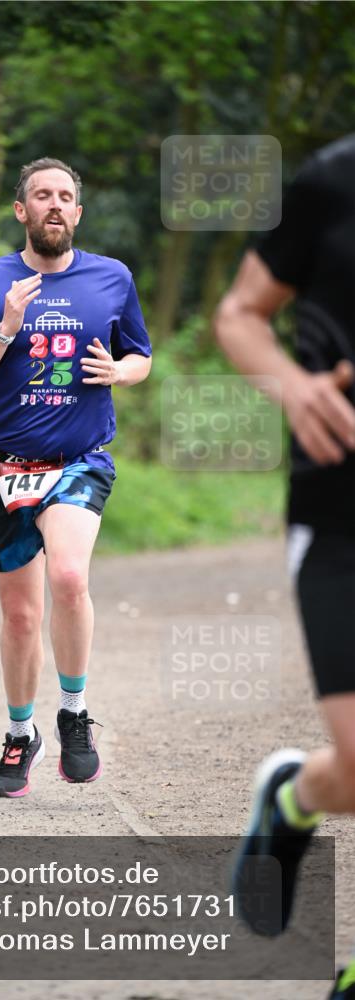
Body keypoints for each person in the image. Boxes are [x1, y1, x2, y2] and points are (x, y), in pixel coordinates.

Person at [0, 157, 152, 798]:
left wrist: (120, 373)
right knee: (20, 616)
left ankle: (74, 713)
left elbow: (140, 355)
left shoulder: (111, 278)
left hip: (79, 461)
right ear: (21, 210)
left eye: (64, 196)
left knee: (69, 577)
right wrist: (4, 330)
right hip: (3, 465)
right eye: (41, 195)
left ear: (77, 213)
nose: (54, 204)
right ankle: (20, 733)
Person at [214, 133, 355, 999]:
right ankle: (291, 798)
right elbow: (239, 314)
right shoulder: (333, 181)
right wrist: (292, 386)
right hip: (341, 515)